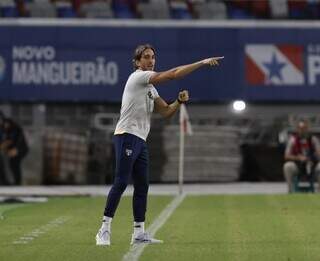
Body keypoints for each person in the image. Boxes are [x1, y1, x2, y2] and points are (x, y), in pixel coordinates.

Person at [95, 43, 222, 246]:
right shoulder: (138, 77)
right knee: (120, 182)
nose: (151, 60)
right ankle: (104, 229)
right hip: (126, 135)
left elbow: (165, 112)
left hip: (140, 139)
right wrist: (201, 63)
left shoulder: (150, 88)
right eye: (146, 57)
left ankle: (138, 233)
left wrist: (179, 102)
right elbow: (172, 75)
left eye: (152, 57)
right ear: (137, 62)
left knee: (142, 186)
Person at [283, 119, 320, 193]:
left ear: (307, 129)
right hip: (298, 165)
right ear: (298, 129)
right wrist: (298, 157)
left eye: (304, 128)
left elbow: (319, 152)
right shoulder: (292, 140)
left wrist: (312, 157)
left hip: (312, 164)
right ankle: (290, 190)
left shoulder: (313, 139)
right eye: (300, 128)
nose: (302, 130)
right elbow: (286, 155)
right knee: (287, 166)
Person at [0, 118, 29, 185]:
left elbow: (10, 141)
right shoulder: (5, 130)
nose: (5, 126)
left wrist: (14, 149)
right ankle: (14, 182)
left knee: (14, 163)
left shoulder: (15, 129)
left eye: (7, 124)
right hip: (13, 149)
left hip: (20, 149)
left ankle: (17, 182)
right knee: (12, 164)